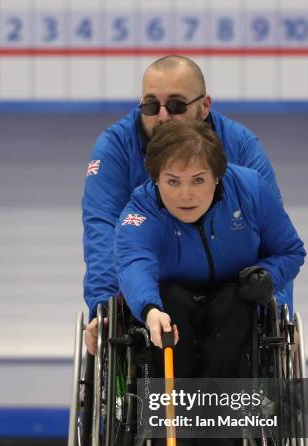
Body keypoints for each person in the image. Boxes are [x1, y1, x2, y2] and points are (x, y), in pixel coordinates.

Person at [115, 120, 306, 446]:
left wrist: (267, 276)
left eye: (198, 180)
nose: (185, 194)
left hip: (234, 291)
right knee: (170, 309)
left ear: (218, 176)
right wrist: (149, 309)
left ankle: (220, 437)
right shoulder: (140, 208)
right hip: (169, 297)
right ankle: (175, 436)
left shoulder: (250, 189)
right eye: (172, 181)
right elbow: (133, 262)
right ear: (155, 178)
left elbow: (289, 250)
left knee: (236, 307)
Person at [83, 54, 289, 355]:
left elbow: (274, 240)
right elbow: (103, 229)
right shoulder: (115, 147)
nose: (163, 116)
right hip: (158, 286)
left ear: (204, 106)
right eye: (151, 106)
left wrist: (276, 313)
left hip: (231, 289)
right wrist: (104, 310)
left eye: (176, 105)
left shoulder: (241, 145)